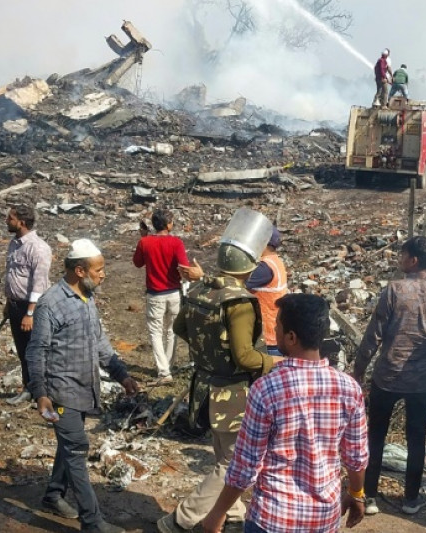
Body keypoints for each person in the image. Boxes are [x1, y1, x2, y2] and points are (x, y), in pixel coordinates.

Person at [201, 294, 369, 533]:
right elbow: (356, 455)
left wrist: (218, 512)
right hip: (322, 520)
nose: (274, 329)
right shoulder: (349, 389)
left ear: (291, 337)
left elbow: (247, 465)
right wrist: (356, 493)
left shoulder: (266, 389)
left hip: (273, 519)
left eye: (277, 325)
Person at [157, 208, 281, 533]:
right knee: (231, 465)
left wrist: (209, 351)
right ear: (250, 263)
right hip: (233, 395)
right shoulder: (239, 301)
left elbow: (181, 328)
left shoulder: (201, 290)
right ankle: (180, 520)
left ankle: (235, 516)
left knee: (224, 457)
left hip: (206, 388)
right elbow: (245, 357)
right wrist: (274, 363)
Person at [26, 239, 140, 533]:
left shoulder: (87, 298)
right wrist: (40, 394)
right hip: (60, 392)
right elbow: (36, 350)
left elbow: (100, 342)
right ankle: (93, 523)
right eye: (99, 270)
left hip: (83, 388)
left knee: (69, 446)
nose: (104, 274)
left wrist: (122, 374)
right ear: (80, 270)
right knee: (76, 449)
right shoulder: (51, 304)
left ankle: (53, 495)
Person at [353, 236, 426, 516]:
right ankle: (411, 499)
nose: (400, 260)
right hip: (423, 382)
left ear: (413, 260)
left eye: (403, 255)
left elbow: (372, 336)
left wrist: (358, 371)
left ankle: (370, 496)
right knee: (417, 439)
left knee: (375, 436)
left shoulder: (394, 291)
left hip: (387, 377)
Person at [133, 208, 190, 385]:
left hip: (155, 295)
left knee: (155, 332)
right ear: (167, 224)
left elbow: (137, 263)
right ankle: (168, 367)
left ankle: (164, 371)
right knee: (171, 331)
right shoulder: (176, 243)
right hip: (174, 293)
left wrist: (143, 238)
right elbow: (184, 266)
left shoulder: (146, 243)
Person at [4, 204, 53, 405]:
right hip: (16, 306)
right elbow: (12, 275)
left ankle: (43, 394)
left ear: (21, 222)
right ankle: (28, 388)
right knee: (23, 350)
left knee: (36, 352)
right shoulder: (14, 244)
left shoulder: (38, 248)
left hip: (32, 308)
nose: (7, 221)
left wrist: (30, 313)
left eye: (10, 218)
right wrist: (9, 304)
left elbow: (39, 283)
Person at [245, 227, 289, 356]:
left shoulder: (264, 268)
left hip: (266, 337)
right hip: (273, 334)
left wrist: (203, 277)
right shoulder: (275, 262)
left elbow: (233, 283)